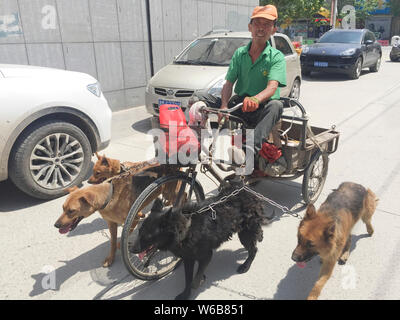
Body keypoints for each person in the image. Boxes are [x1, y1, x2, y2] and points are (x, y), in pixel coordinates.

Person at [218, 4, 287, 174]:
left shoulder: (276, 57)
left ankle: (247, 152)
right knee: (203, 101)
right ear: (250, 27)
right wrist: (224, 106)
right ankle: (206, 145)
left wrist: (256, 99)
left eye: (267, 25)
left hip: (263, 108)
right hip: (243, 105)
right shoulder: (239, 53)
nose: (261, 28)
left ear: (273, 30)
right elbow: (228, 84)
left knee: (276, 105)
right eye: (257, 24)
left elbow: (272, 87)